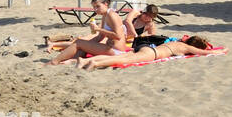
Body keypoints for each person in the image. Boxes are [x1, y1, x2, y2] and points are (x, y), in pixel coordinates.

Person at [46, 0, 128, 63]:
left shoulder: (112, 15)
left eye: (98, 6)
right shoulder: (105, 15)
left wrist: (98, 29)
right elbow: (100, 37)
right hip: (110, 48)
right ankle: (70, 60)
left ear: (106, 4)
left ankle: (54, 62)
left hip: (116, 52)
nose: (95, 10)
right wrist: (86, 44)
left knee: (79, 43)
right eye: (94, 7)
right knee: (81, 45)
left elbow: (118, 36)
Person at [77, 35, 220, 69]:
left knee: (125, 56)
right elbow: (206, 53)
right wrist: (222, 50)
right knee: (123, 60)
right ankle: (94, 63)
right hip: (153, 54)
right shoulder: (187, 48)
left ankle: (84, 60)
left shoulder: (176, 42)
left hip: (148, 48)